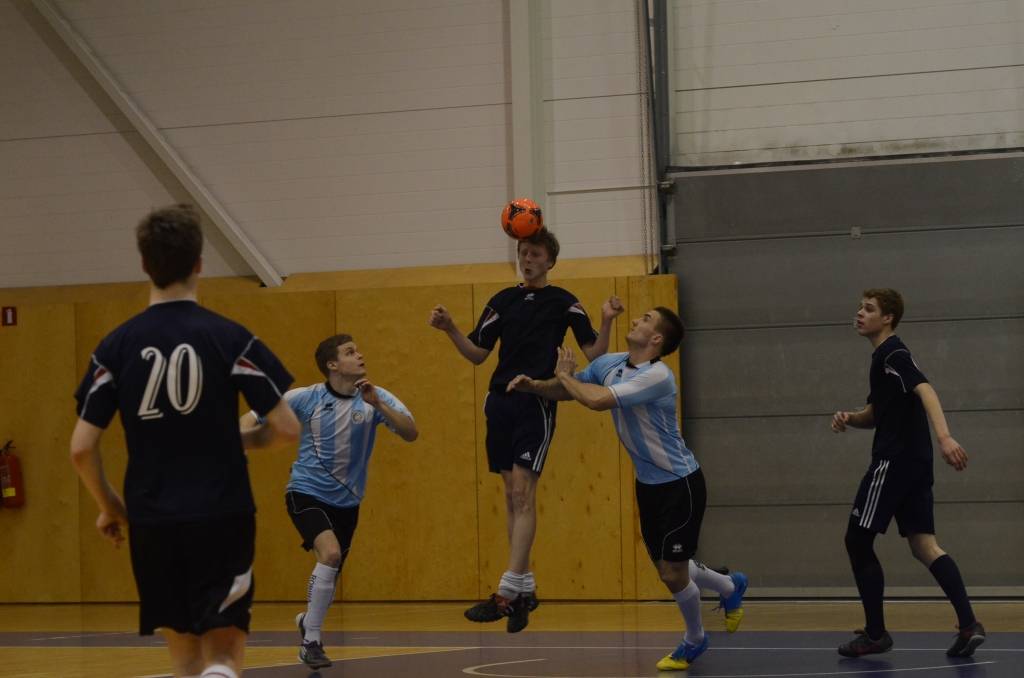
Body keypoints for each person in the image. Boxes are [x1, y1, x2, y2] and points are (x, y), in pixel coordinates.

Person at [71, 205, 300, 678]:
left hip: (152, 518)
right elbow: (286, 429)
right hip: (222, 514)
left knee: (186, 662)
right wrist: (235, 442)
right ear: (199, 263)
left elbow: (81, 448)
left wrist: (110, 506)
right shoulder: (230, 338)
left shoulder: (115, 347)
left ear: (144, 264)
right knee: (223, 658)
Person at [508, 306, 747, 671]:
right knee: (669, 566)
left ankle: (695, 639)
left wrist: (564, 375)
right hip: (648, 486)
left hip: (680, 483)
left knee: (672, 573)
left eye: (646, 319)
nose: (636, 320)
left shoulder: (658, 377)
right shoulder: (611, 363)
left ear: (656, 339)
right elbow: (571, 389)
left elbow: (596, 400)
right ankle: (730, 586)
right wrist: (536, 386)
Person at [429, 227, 623, 633]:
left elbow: (593, 351)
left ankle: (507, 591)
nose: (527, 259)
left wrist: (606, 320)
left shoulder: (564, 301)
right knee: (510, 494)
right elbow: (477, 354)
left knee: (522, 493)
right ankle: (525, 588)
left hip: (535, 399)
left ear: (550, 261)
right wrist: (450, 328)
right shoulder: (502, 300)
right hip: (500, 401)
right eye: (523, 253)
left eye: (535, 253)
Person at [240, 333, 417, 670]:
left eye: (358, 350)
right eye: (350, 352)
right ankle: (311, 642)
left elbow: (411, 432)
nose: (359, 355)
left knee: (330, 572)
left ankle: (309, 620)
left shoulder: (375, 396)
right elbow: (251, 417)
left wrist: (378, 405)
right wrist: (240, 443)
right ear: (333, 365)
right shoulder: (306, 397)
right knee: (331, 553)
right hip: (305, 492)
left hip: (348, 503)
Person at [831, 288, 985, 658]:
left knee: (857, 540)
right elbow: (875, 414)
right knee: (924, 545)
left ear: (888, 318)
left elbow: (926, 390)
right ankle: (969, 625)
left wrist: (945, 437)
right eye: (859, 307)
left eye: (869, 309)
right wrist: (850, 418)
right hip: (916, 463)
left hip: (894, 461)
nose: (860, 313)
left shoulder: (893, 353)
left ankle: (875, 634)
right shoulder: (883, 360)